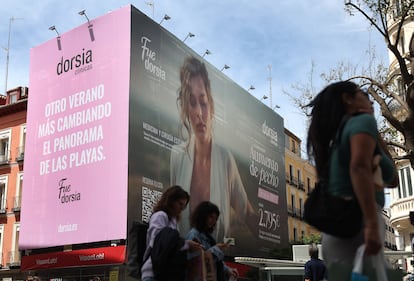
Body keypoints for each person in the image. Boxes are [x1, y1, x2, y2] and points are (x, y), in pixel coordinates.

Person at [306, 81, 398, 269]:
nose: (371, 101)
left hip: (341, 228)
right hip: (361, 223)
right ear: (348, 99)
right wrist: (372, 225)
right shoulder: (361, 123)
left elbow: (393, 179)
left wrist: (374, 134)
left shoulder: (339, 140)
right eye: (364, 94)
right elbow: (359, 167)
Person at [170, 56, 257, 242]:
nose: (199, 113)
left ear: (211, 104)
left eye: (203, 102)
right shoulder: (177, 157)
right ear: (186, 109)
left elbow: (248, 214)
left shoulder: (225, 159)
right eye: (192, 103)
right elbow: (171, 214)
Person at [141, 185, 202, 281]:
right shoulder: (160, 216)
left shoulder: (173, 221)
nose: (181, 209)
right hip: (153, 272)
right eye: (180, 204)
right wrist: (186, 244)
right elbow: (158, 241)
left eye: (183, 206)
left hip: (165, 272)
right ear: (170, 201)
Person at [186, 201, 239, 281]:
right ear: (202, 216)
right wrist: (216, 249)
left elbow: (216, 263)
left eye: (215, 219)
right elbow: (197, 262)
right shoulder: (194, 235)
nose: (213, 221)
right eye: (211, 217)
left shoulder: (209, 238)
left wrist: (228, 270)